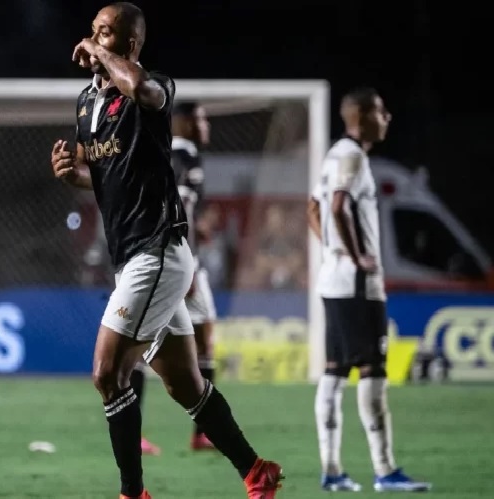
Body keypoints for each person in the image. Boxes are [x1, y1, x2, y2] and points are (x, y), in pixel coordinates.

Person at [50, 3, 282, 498]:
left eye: (106, 34)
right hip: (135, 256)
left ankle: (133, 494)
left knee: (108, 374)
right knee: (184, 383)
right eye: (91, 31)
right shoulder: (87, 104)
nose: (92, 40)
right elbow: (110, 178)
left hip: (157, 249)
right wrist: (78, 176)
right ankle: (256, 472)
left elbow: (138, 87)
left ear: (130, 44)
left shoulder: (152, 88)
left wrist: (100, 54)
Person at [308, 87, 431, 492]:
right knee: (373, 371)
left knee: (335, 371)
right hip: (357, 283)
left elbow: (314, 208)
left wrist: (331, 250)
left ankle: (331, 470)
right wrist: (357, 256)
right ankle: (385, 470)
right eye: (380, 111)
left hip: (333, 278)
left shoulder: (333, 156)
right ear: (360, 116)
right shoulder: (352, 156)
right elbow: (339, 206)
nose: (387, 117)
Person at [129, 101, 219, 454]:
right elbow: (174, 209)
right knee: (200, 339)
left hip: (167, 257)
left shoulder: (171, 156)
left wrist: (197, 230)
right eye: (201, 118)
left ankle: (199, 432)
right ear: (183, 123)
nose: (206, 124)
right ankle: (202, 432)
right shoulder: (184, 158)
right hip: (179, 261)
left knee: (141, 344)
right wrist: (189, 261)